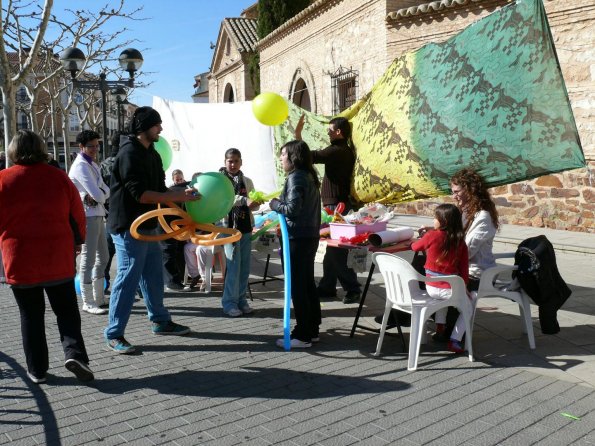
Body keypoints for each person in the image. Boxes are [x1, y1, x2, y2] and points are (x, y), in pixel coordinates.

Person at [0, 130, 94, 383]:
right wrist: (78, 242)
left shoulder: (2, 180)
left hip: (20, 259)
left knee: (30, 316)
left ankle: (37, 369)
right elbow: (77, 215)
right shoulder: (59, 178)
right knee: (66, 312)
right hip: (57, 256)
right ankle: (75, 354)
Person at [104, 106, 200, 354]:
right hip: (127, 226)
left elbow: (161, 190)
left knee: (154, 275)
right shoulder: (128, 154)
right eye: (157, 124)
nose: (161, 129)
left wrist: (182, 193)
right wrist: (181, 198)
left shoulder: (153, 154)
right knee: (128, 277)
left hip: (148, 224)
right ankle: (114, 334)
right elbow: (141, 195)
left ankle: (160, 321)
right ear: (144, 127)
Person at [296, 115, 361, 304]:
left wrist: (298, 134)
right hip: (334, 204)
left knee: (336, 250)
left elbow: (309, 156)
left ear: (339, 132)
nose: (328, 132)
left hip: (337, 206)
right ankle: (327, 286)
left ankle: (353, 289)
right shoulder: (341, 150)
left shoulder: (337, 150)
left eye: (330, 129)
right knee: (332, 248)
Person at [270, 140, 322, 348]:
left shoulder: (297, 177)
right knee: (307, 284)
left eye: (283, 155)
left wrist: (274, 204)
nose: (281, 158)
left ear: (293, 157)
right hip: (308, 236)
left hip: (296, 238)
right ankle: (312, 329)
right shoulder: (309, 175)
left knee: (298, 287)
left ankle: (302, 335)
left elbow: (292, 209)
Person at [410, 204, 469, 353]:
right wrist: (465, 289)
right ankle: (455, 339)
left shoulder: (431, 236)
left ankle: (440, 327)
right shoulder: (460, 241)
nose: (433, 220)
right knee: (470, 305)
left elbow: (415, 247)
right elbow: (464, 269)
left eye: (435, 218)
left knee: (442, 300)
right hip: (449, 290)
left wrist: (422, 236)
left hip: (431, 288)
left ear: (443, 221)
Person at [69, 130, 110, 315]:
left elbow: (104, 192)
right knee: (88, 258)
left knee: (104, 257)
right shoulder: (81, 166)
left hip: (98, 214)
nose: (95, 149)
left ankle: (99, 298)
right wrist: (97, 195)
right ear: (81, 147)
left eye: (96, 145)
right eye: (91, 146)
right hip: (87, 216)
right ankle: (88, 301)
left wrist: (100, 194)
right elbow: (98, 194)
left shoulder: (92, 164)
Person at [219, 148, 260, 317]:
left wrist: (256, 202)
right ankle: (229, 303)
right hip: (229, 229)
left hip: (245, 228)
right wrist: (245, 200)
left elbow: (252, 202)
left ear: (241, 162)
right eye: (230, 161)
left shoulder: (247, 181)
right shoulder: (220, 180)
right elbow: (226, 199)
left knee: (244, 268)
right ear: (225, 162)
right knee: (233, 267)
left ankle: (241, 300)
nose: (233, 164)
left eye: (236, 161)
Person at [162, 169, 190, 291]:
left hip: (180, 225)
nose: (179, 180)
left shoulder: (187, 188)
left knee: (178, 252)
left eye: (180, 178)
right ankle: (172, 282)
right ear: (173, 179)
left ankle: (177, 279)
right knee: (169, 252)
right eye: (176, 179)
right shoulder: (170, 191)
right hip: (169, 226)